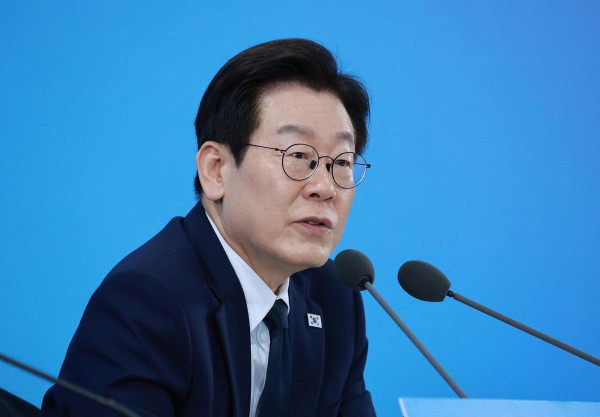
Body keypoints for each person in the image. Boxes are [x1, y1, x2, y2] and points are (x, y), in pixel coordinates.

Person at [41, 38, 376, 417]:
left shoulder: (335, 298)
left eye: (342, 162)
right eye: (298, 155)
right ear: (216, 170)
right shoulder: (146, 303)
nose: (325, 187)